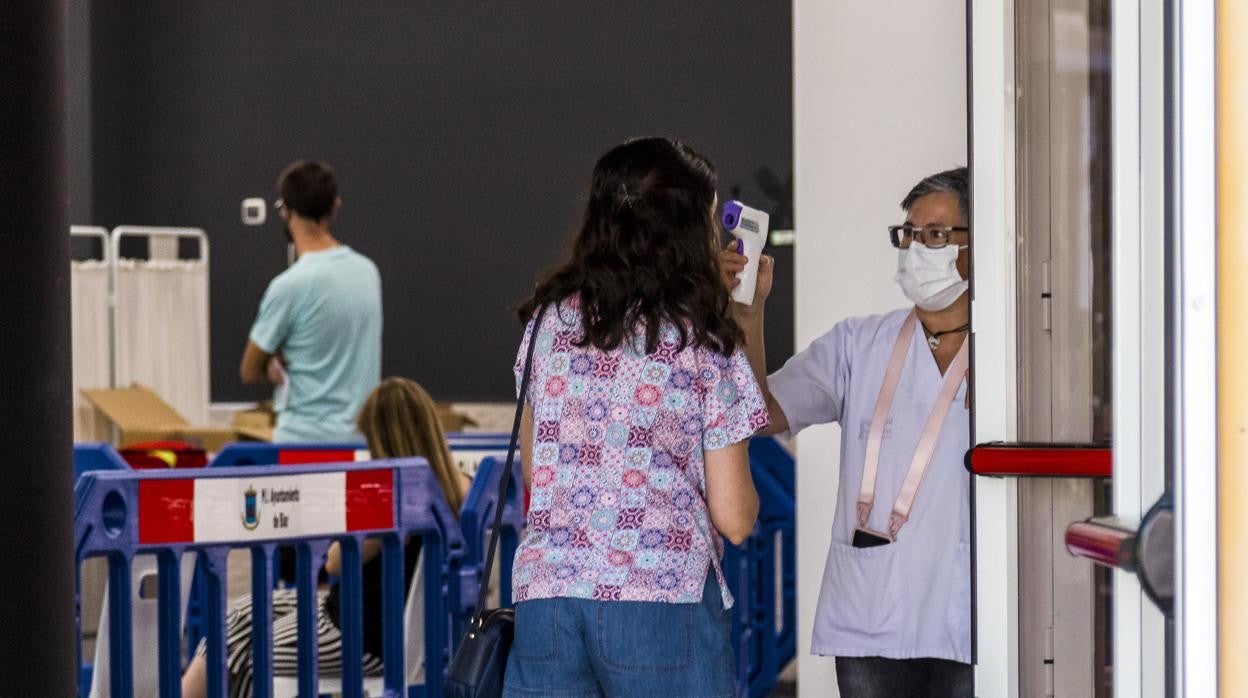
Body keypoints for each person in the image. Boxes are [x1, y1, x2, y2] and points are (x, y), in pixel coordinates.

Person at [504, 137, 770, 698]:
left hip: (548, 595)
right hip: (661, 601)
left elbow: (539, 476)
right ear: (689, 229)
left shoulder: (550, 323)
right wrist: (738, 312)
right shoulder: (701, 340)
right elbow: (736, 517)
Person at [721, 167, 974, 696]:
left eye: (934, 235)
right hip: (872, 617)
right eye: (908, 234)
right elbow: (760, 413)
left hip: (967, 618)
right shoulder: (858, 343)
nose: (914, 249)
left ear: (976, 246)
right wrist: (750, 310)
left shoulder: (1011, 353)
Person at [181, 377, 471, 698]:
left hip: (360, 631)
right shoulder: (464, 487)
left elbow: (334, 562)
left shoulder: (394, 497)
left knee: (251, 657)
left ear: (384, 440)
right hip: (409, 628)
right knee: (239, 617)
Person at [239, 160, 382, 443]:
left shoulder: (288, 287)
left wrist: (274, 364)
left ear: (286, 210)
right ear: (334, 207)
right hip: (362, 442)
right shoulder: (368, 272)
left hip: (302, 445)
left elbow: (249, 370)